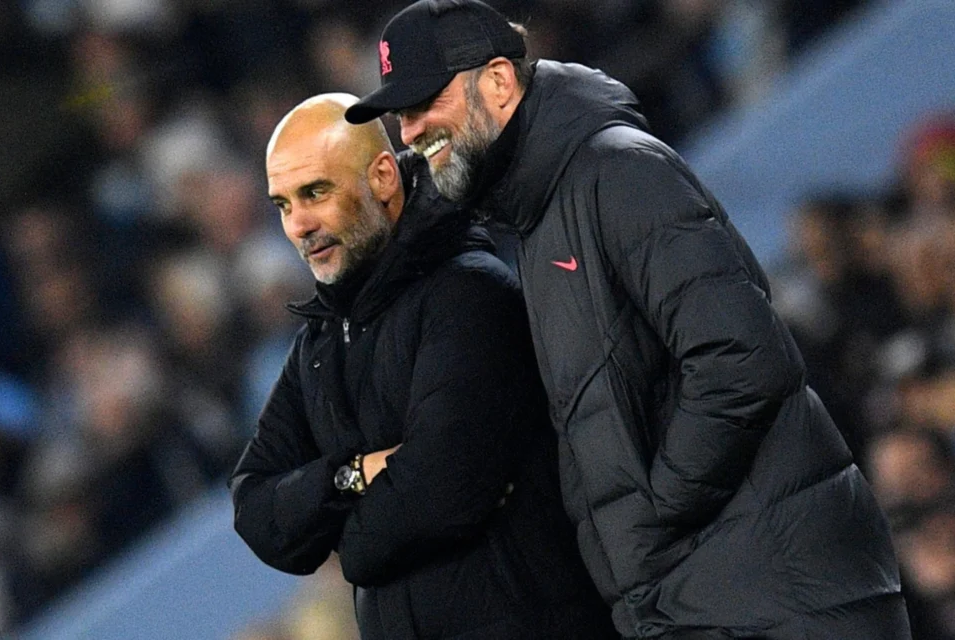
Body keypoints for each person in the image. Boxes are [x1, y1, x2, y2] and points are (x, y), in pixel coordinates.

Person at [344, 2, 912, 638]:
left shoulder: (615, 171)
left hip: (780, 595)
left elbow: (742, 360)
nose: (409, 130)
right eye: (399, 114)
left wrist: (655, 514)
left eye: (425, 102)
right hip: (709, 597)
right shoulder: (537, 214)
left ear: (500, 82)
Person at [229, 93, 616, 640]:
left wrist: (348, 546)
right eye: (284, 205)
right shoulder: (317, 345)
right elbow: (253, 509)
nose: (299, 225)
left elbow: (442, 492)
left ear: (384, 176)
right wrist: (353, 474)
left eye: (315, 192)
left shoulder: (469, 292)